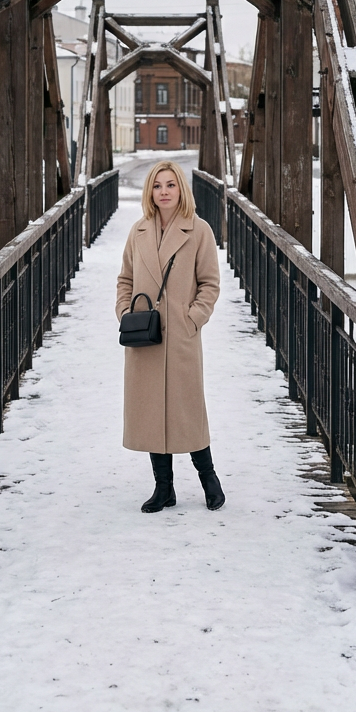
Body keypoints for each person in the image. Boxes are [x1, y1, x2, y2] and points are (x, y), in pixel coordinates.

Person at [116, 161, 225, 513]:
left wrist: (192, 319)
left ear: (181, 190)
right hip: (145, 336)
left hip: (180, 336)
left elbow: (209, 283)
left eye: (171, 185)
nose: (164, 191)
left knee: (187, 410)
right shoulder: (139, 232)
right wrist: (124, 313)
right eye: (158, 185)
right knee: (151, 412)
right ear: (150, 191)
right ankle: (164, 489)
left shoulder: (199, 230)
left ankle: (209, 478)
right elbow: (125, 280)